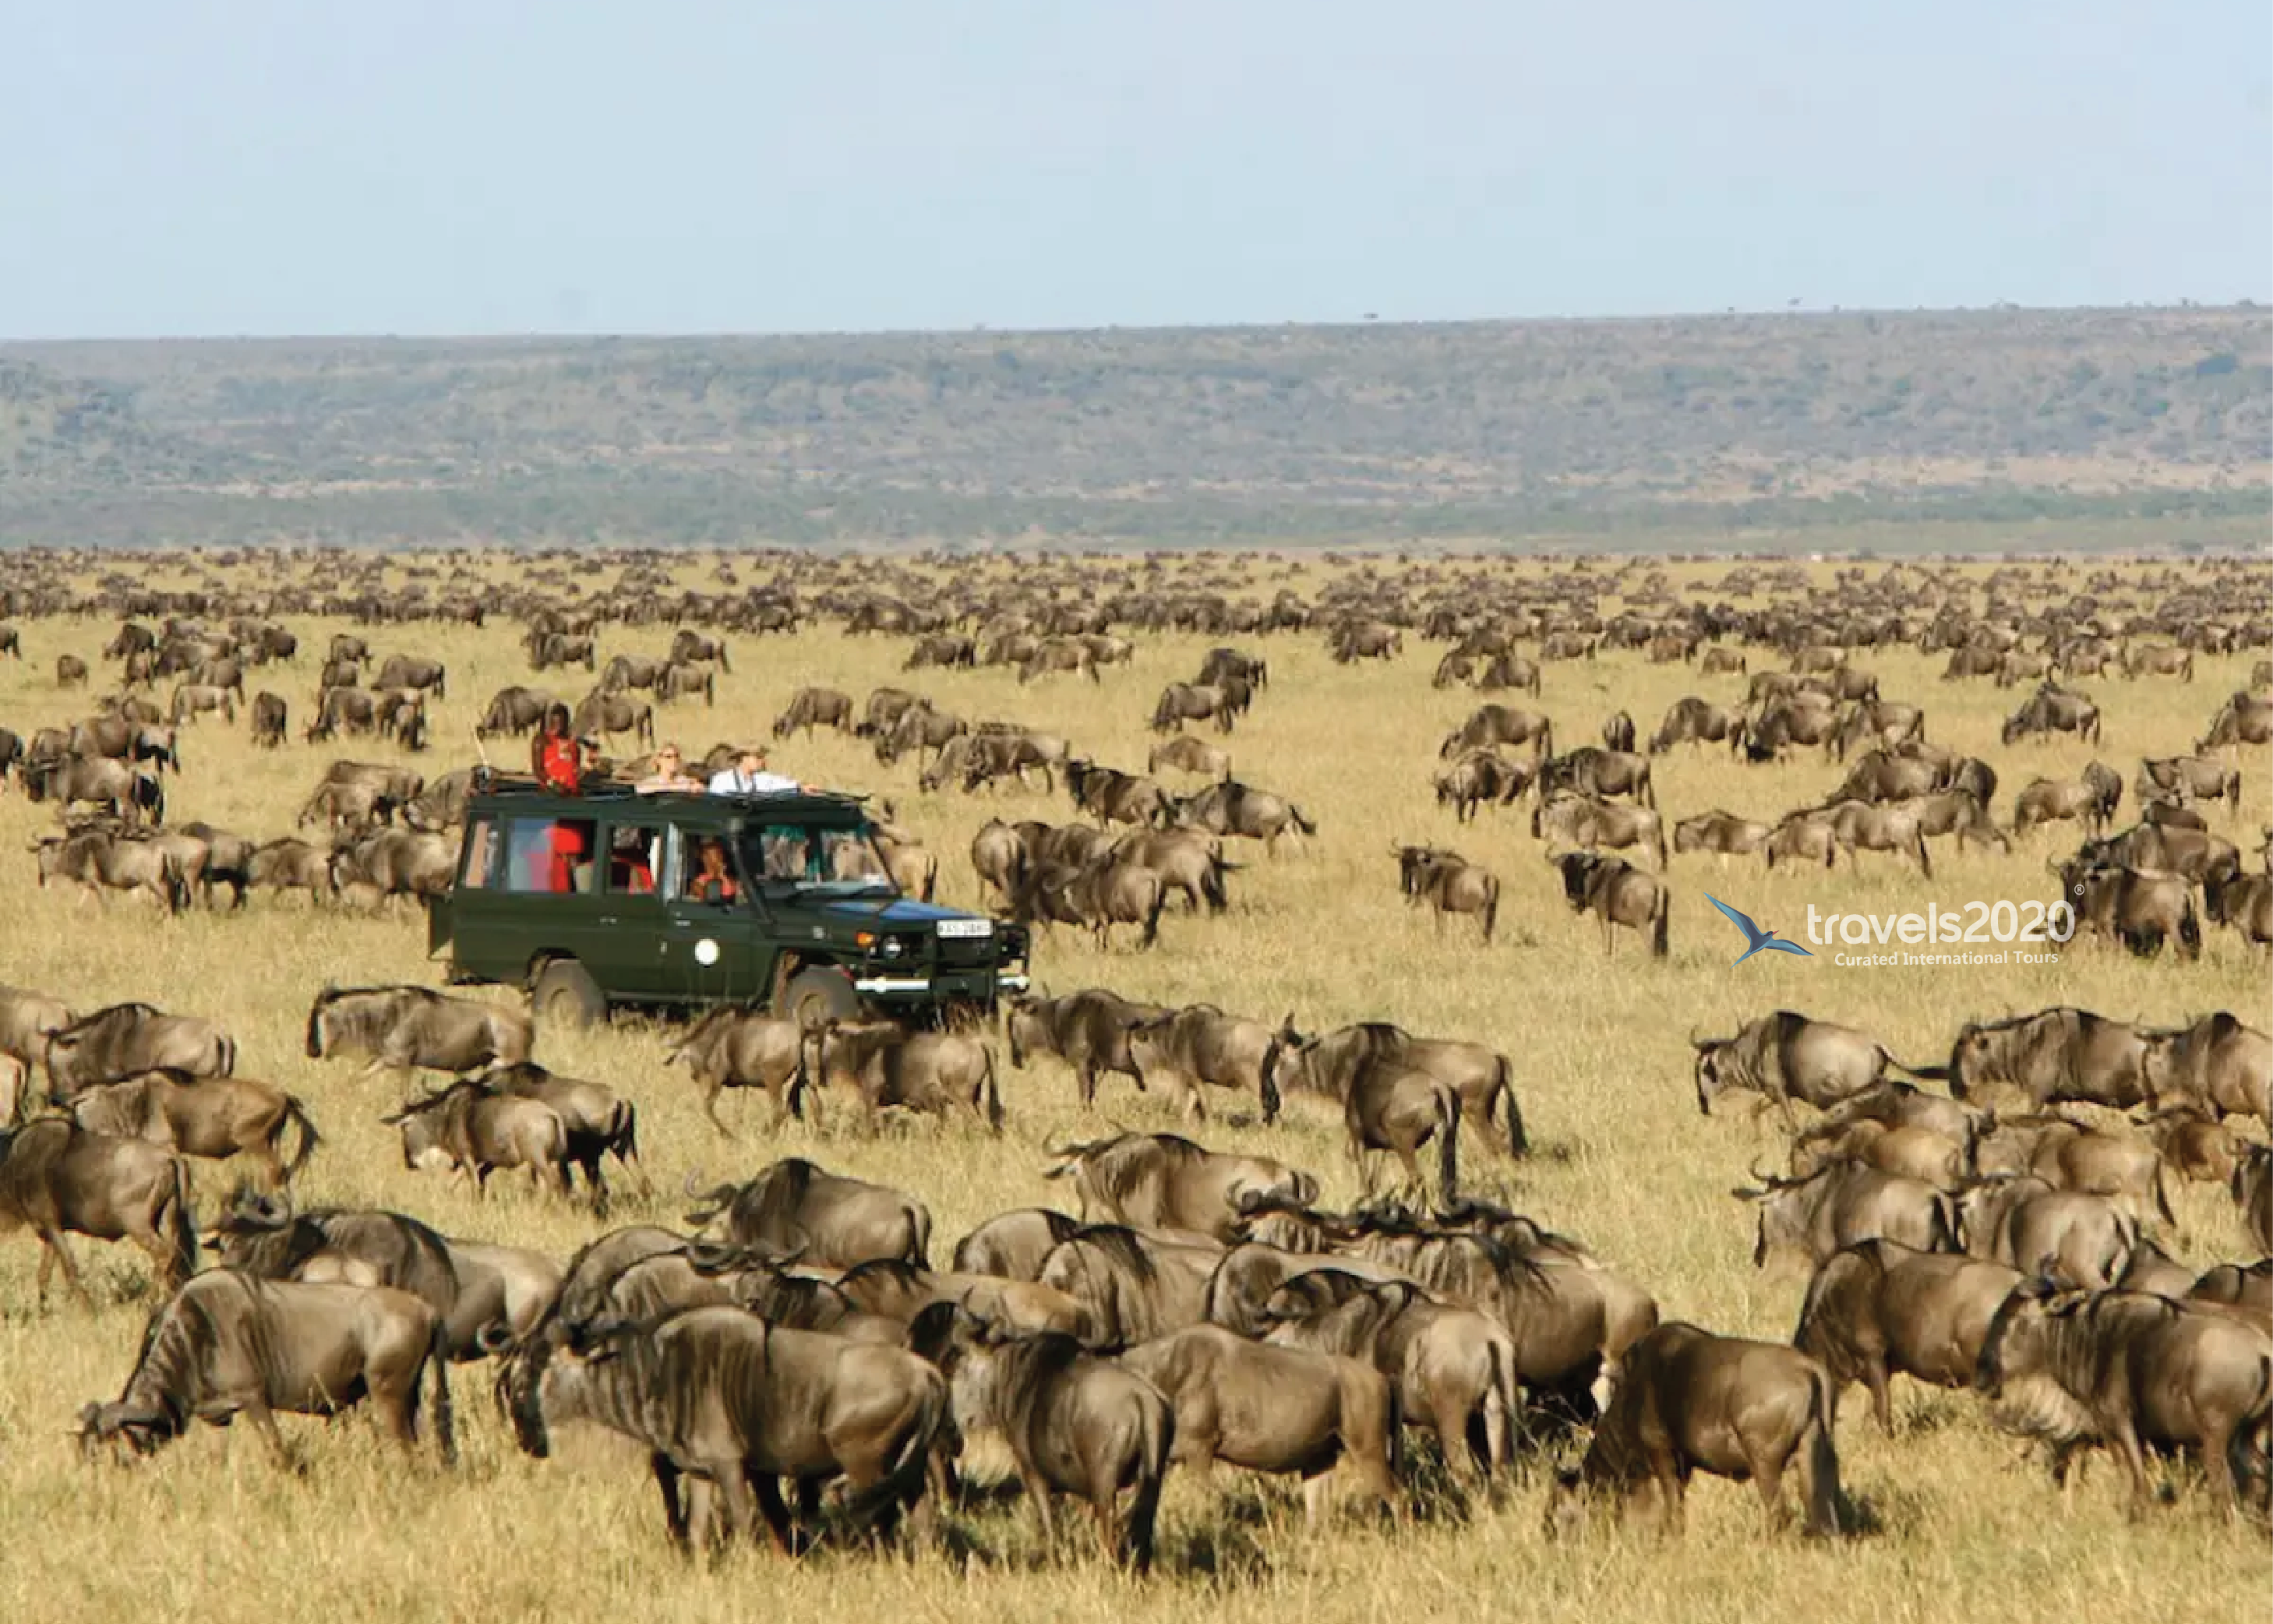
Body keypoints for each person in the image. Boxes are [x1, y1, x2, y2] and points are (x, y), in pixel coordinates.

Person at [531, 703, 590, 793]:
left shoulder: (573, 744)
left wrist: (583, 773)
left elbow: (575, 768)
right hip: (551, 792)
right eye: (554, 723)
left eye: (561, 723)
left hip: (573, 792)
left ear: (567, 722)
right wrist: (553, 784)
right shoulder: (542, 740)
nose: (557, 727)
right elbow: (538, 770)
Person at [708, 743, 803, 796]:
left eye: (763, 757)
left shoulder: (764, 779)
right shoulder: (721, 780)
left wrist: (802, 788)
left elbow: (786, 785)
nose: (763, 761)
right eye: (758, 757)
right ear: (744, 758)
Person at [634, 743, 703, 795]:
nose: (674, 760)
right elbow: (641, 788)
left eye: (676, 756)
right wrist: (680, 787)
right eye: (669, 757)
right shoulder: (652, 781)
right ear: (658, 760)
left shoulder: (685, 780)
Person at [687, 838, 739, 902]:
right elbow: (710, 899)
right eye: (716, 854)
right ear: (704, 859)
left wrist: (723, 877)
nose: (720, 857)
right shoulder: (698, 882)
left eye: (720, 854)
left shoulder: (732, 880)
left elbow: (731, 897)